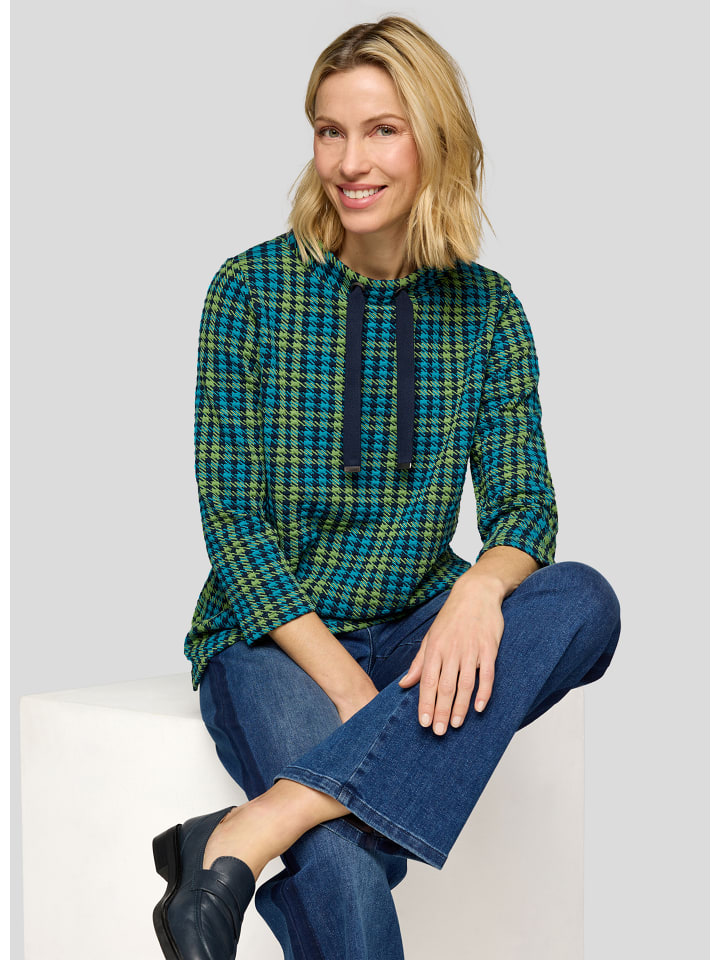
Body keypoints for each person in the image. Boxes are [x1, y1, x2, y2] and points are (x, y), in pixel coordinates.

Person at [151, 15, 622, 960]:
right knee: (340, 860)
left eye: (381, 130)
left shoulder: (486, 309)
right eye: (330, 131)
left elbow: (525, 506)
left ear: (433, 140)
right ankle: (299, 823)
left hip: (417, 623)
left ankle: (246, 831)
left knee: (584, 602)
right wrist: (346, 683)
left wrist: (478, 592)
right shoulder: (248, 292)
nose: (349, 162)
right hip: (275, 636)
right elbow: (232, 523)